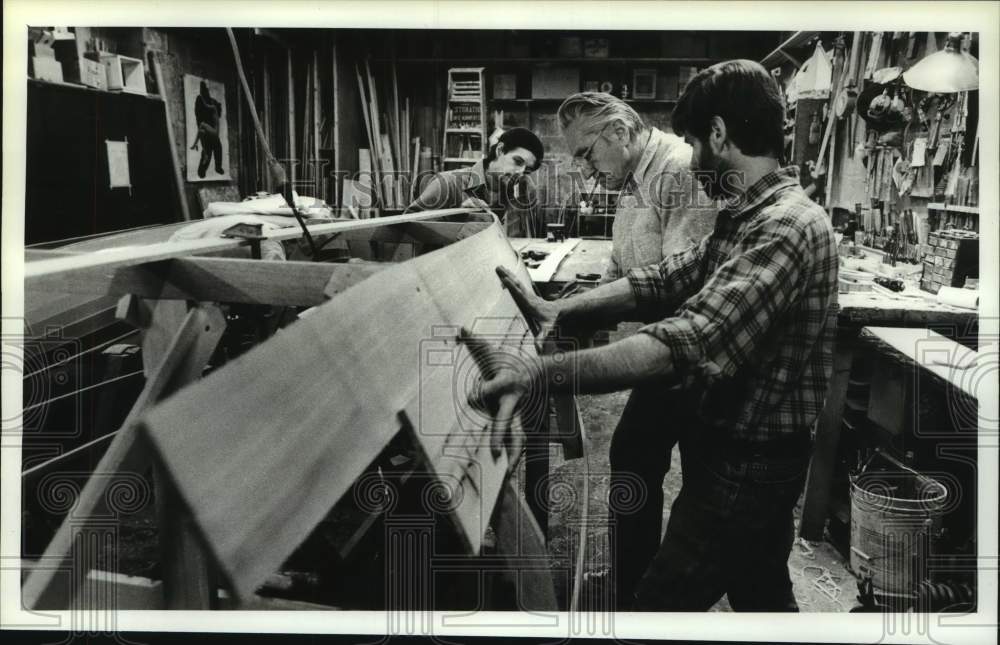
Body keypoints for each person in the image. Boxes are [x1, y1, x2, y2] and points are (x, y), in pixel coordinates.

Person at [470, 59, 839, 611]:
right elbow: (667, 277)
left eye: (693, 141)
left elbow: (689, 336)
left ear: (718, 133)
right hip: (737, 445)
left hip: (748, 458)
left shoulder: (785, 225)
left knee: (658, 609)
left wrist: (538, 371)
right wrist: (562, 312)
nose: (690, 158)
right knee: (761, 592)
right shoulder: (745, 217)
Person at [556, 92, 717, 606]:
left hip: (689, 353)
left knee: (686, 474)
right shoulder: (631, 177)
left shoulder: (675, 171)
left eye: (585, 154)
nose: (585, 168)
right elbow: (625, 265)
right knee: (635, 458)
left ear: (619, 133)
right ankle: (638, 579)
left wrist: (587, 312)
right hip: (664, 345)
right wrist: (585, 302)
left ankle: (654, 593)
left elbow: (678, 281)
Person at [405, 127, 544, 236]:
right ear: (500, 150)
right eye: (518, 161)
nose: (521, 172)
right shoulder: (448, 183)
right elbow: (406, 226)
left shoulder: (509, 193)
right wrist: (453, 222)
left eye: (527, 170)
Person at [191, 80, 224, 178]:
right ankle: (202, 170)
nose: (206, 91)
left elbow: (216, 110)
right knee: (207, 151)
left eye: (206, 90)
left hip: (210, 129)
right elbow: (200, 113)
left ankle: (217, 167)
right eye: (204, 90)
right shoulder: (200, 100)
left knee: (217, 148)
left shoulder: (211, 102)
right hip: (206, 131)